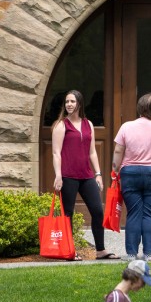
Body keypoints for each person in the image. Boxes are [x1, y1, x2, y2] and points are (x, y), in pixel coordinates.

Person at [52, 89, 119, 260]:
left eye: (72, 101)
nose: (69, 104)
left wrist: (97, 173)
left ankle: (101, 250)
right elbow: (56, 153)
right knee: (68, 214)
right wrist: (58, 175)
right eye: (67, 102)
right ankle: (69, 251)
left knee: (97, 211)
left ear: (79, 103)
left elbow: (92, 152)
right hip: (68, 176)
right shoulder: (61, 125)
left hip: (87, 175)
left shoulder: (88, 124)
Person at [112, 94, 151, 261]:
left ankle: (131, 254)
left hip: (130, 173)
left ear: (138, 109)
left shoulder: (126, 126)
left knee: (133, 213)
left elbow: (118, 150)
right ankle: (148, 254)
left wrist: (115, 170)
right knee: (150, 214)